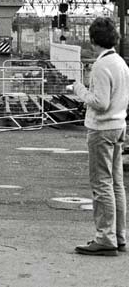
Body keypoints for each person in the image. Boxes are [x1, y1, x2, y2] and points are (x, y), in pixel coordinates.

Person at [70, 17, 128, 256]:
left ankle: (104, 238)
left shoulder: (101, 66)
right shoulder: (121, 63)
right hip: (118, 126)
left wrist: (79, 90)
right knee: (116, 184)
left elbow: (100, 103)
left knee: (101, 184)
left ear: (93, 40)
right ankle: (119, 236)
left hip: (102, 130)